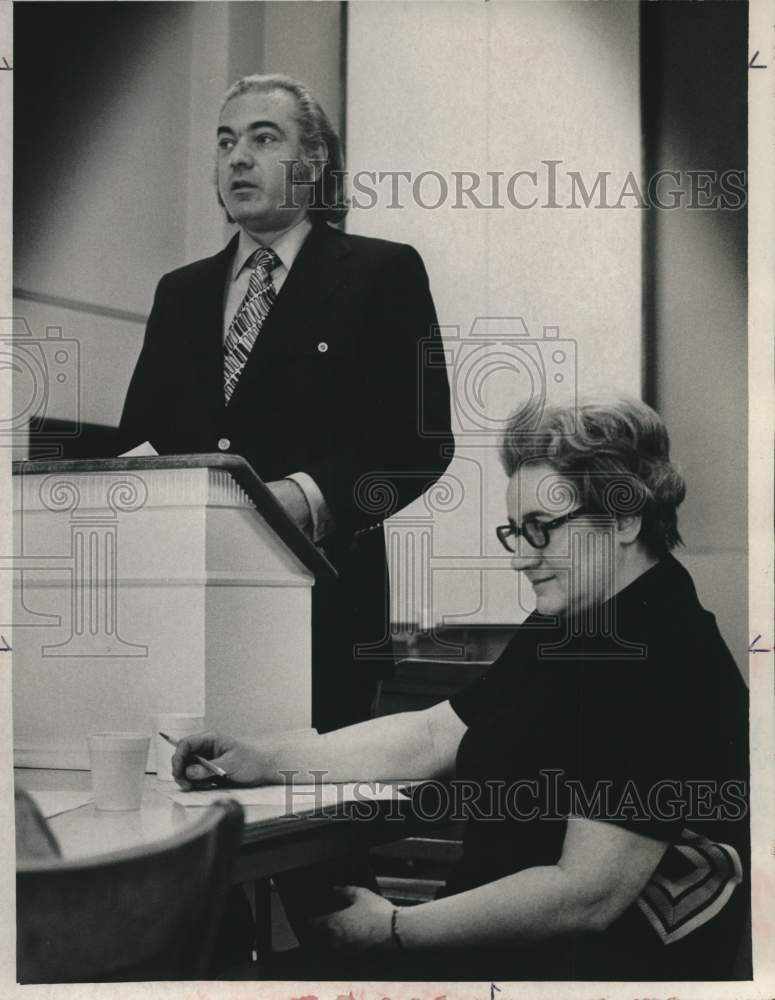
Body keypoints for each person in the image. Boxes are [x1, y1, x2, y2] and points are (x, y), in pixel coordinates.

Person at [172, 395, 749, 981]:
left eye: (543, 531)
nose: (522, 558)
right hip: (504, 949)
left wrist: (394, 929)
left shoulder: (659, 654)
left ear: (625, 517)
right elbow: (433, 733)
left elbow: (585, 896)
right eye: (516, 533)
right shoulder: (581, 620)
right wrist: (262, 757)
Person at [119, 73, 453, 733]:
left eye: (262, 138)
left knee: (308, 825)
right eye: (224, 142)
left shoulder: (381, 273)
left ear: (314, 161)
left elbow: (419, 443)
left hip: (320, 622)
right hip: (181, 625)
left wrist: (307, 496)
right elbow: (140, 444)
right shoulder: (179, 293)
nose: (236, 158)